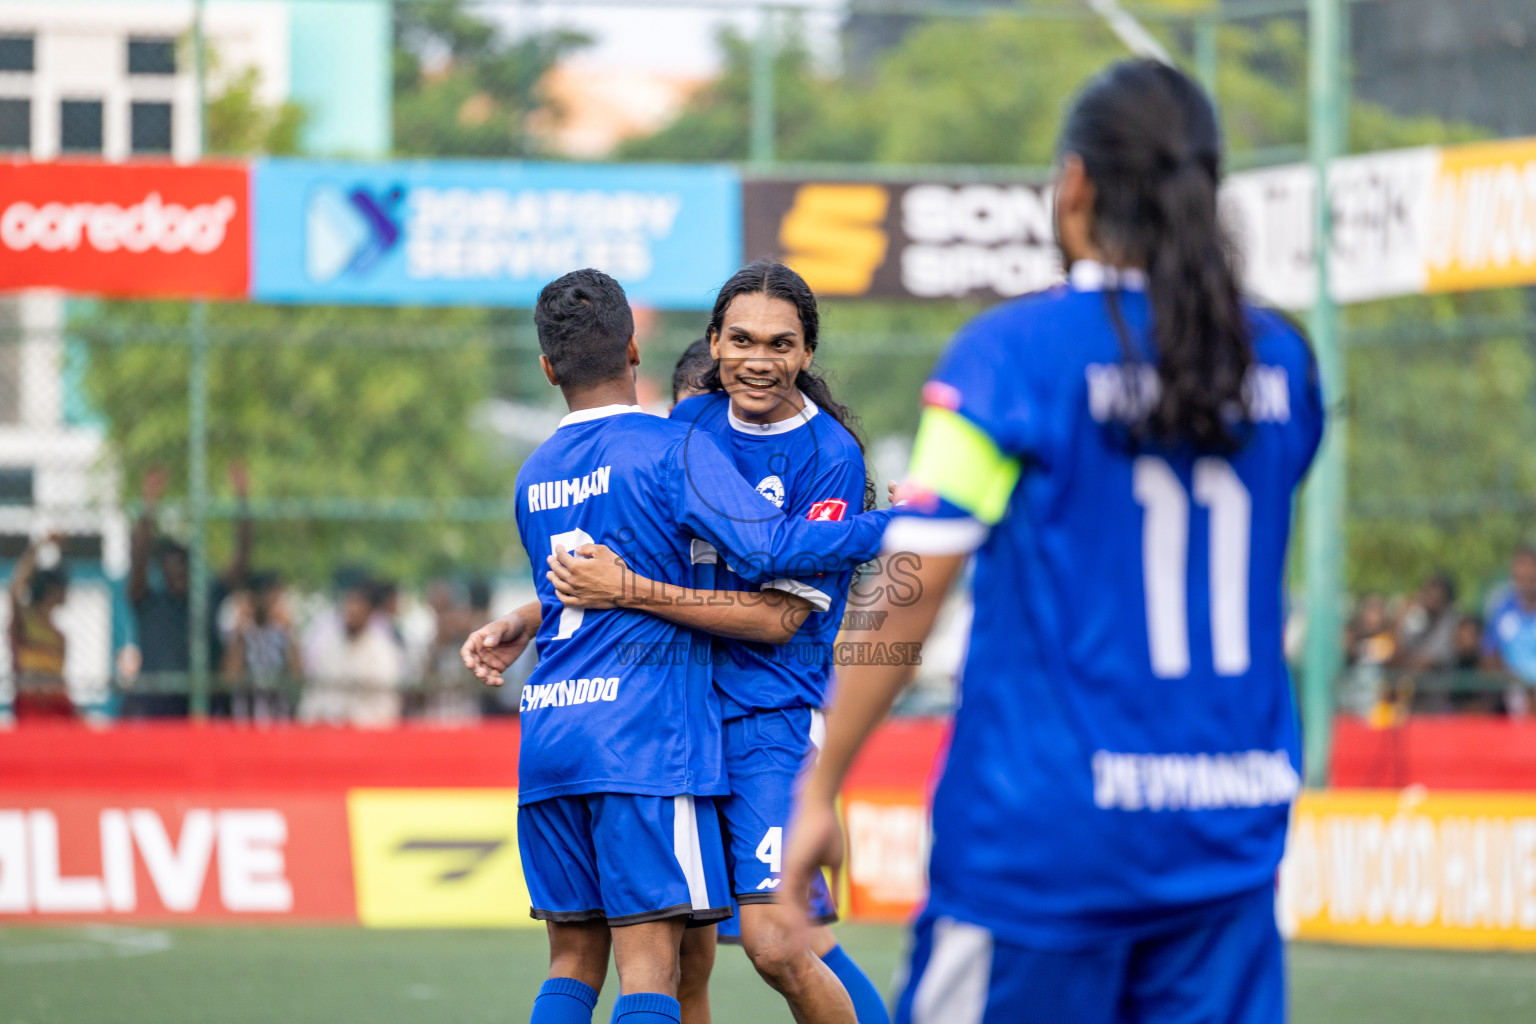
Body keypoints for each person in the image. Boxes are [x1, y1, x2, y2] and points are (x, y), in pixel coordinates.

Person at [782, 61, 1325, 1024]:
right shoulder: (1282, 359)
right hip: (1229, 841)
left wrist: (820, 780)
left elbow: (912, 583)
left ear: (1073, 186)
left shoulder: (1008, 358)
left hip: (1041, 848)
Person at [457, 268, 891, 1024]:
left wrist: (904, 525)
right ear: (713, 345)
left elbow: (777, 616)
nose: (759, 360)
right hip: (676, 724)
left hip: (770, 724)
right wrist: (540, 608)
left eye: (781, 344)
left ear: (808, 354)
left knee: (784, 942)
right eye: (743, 341)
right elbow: (629, 545)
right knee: (680, 962)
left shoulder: (831, 455)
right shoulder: (686, 432)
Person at [125, 463, 252, 717]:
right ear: (162, 571)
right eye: (172, 568)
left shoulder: (207, 598)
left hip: (199, 705)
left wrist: (242, 500)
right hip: (155, 705)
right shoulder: (149, 602)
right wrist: (148, 506)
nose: (178, 574)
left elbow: (240, 560)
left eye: (184, 567)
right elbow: (138, 559)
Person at [300, 571, 405, 728]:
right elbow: (314, 694)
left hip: (367, 734)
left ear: (369, 613)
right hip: (328, 733)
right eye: (349, 605)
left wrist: (353, 721)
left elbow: (386, 704)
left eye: (358, 607)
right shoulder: (330, 647)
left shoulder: (382, 651)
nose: (352, 611)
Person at [7, 533, 73, 721]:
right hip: (30, 709)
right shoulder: (25, 622)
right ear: (53, 590)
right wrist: (39, 545)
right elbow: (14, 589)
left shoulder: (60, 636)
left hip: (58, 710)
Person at [221, 571, 302, 722]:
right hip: (246, 715)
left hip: (279, 715)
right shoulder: (241, 629)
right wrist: (239, 632)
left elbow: (298, 677)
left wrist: (290, 632)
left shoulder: (283, 629)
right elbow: (229, 679)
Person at [1480, 544, 1536, 718]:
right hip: (1511, 691)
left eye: (1530, 566)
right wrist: (1516, 682)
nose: (1525, 572)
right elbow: (1489, 656)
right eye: (1520, 566)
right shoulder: (1502, 609)